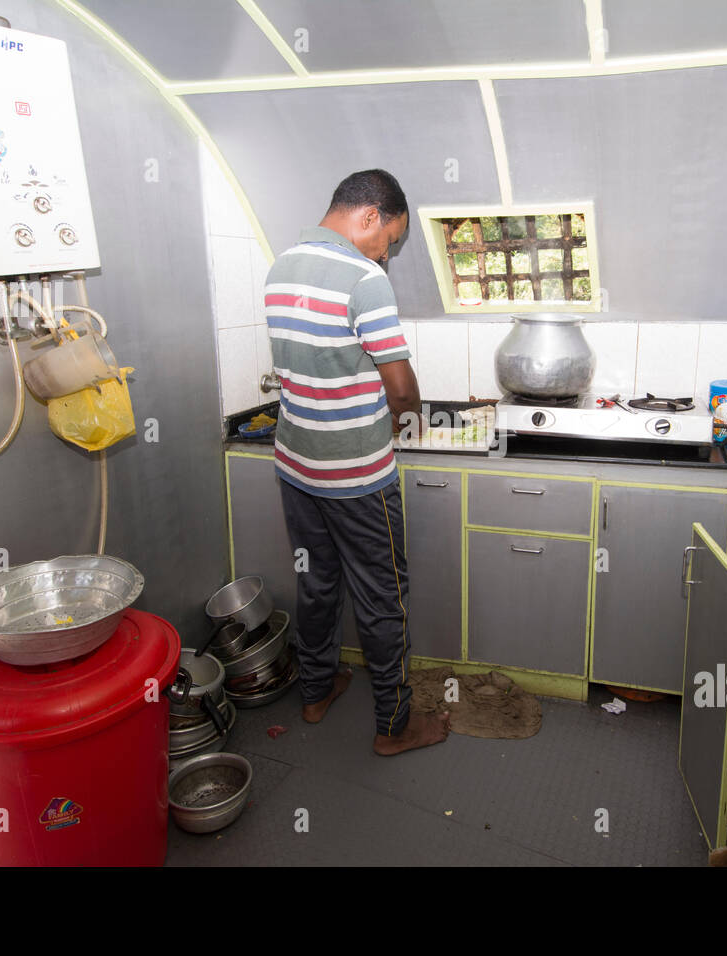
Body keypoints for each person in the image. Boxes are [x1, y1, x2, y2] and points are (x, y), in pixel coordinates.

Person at [263, 169, 450, 756]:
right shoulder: (364, 279)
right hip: (358, 478)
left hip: (297, 465)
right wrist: (401, 425)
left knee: (316, 585)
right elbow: (400, 386)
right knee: (382, 596)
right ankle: (394, 727)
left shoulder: (281, 266)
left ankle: (316, 691)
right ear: (369, 216)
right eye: (389, 238)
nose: (387, 252)